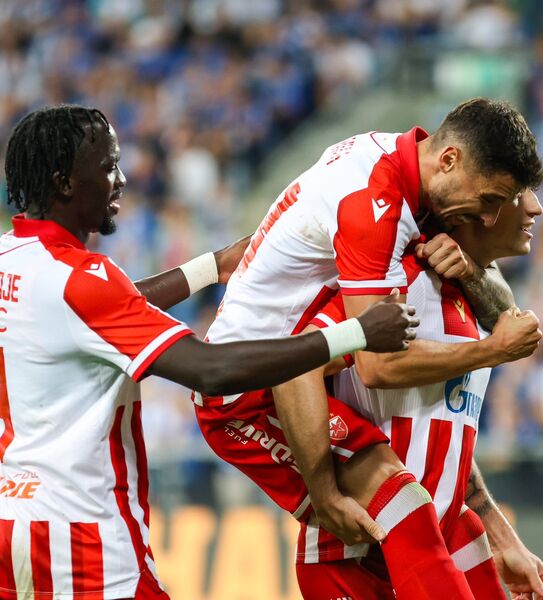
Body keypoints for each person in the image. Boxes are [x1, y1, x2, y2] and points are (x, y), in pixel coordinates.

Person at [0, 105, 418, 600]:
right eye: (108, 166)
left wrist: (213, 267)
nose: (121, 179)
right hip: (83, 536)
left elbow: (104, 308)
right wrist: (356, 333)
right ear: (64, 183)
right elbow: (211, 370)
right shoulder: (84, 281)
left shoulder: (12, 259)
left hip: (13, 522)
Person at [196, 97, 543, 597]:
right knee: (403, 503)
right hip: (247, 388)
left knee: (419, 509)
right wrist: (324, 494)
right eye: (492, 199)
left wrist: (498, 529)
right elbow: (366, 365)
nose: (491, 216)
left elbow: (446, 414)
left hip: (303, 379)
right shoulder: (380, 214)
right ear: (449, 160)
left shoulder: (405, 188)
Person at [282, 190, 543, 599]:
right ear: (481, 206)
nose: (536, 207)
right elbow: (299, 362)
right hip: (357, 557)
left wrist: (501, 536)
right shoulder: (398, 280)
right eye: (518, 193)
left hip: (439, 543)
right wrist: (324, 496)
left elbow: (444, 434)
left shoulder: (477, 304)